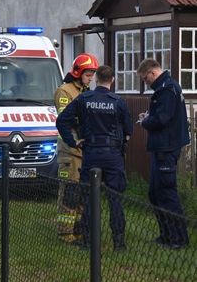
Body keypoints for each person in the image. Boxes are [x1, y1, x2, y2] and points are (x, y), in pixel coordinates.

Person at [56, 65, 132, 251]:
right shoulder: (118, 101)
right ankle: (119, 242)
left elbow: (62, 121)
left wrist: (73, 142)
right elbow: (129, 130)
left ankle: (88, 240)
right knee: (115, 199)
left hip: (91, 154)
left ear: (97, 78)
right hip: (113, 156)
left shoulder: (84, 99)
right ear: (112, 80)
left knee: (89, 198)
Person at [137, 59, 190, 249]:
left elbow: (162, 119)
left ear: (152, 73)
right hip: (161, 147)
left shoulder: (167, 90)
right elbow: (161, 115)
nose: (146, 83)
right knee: (155, 193)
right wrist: (150, 116)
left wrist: (145, 122)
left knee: (167, 193)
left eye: (145, 79)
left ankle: (178, 238)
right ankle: (166, 235)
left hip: (166, 148)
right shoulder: (167, 88)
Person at [53, 53, 98, 244]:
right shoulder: (65, 91)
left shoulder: (86, 91)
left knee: (81, 194)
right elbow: (67, 119)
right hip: (69, 150)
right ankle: (65, 233)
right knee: (69, 193)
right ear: (78, 72)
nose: (91, 78)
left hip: (84, 150)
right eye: (88, 74)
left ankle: (79, 229)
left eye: (93, 74)